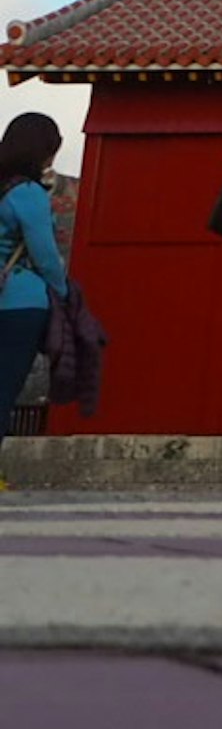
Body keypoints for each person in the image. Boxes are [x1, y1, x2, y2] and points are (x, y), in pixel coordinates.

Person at [0, 111, 71, 474]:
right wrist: (63, 292)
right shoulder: (26, 193)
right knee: (4, 384)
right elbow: (44, 253)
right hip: (19, 301)